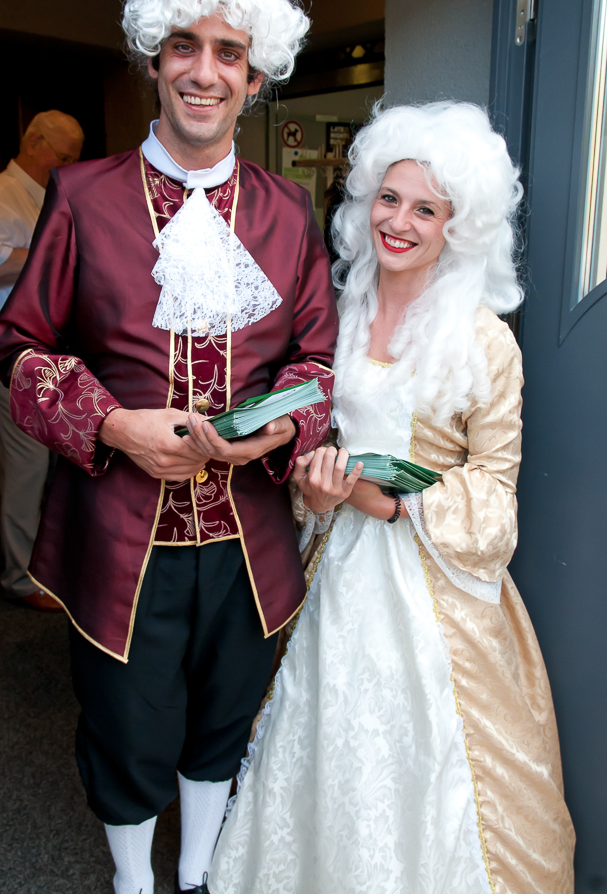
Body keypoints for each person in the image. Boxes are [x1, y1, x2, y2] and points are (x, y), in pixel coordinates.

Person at [0, 0, 337, 894]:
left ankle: (195, 874)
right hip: (116, 532)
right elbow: (20, 349)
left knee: (225, 715)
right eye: (185, 45)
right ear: (153, 57)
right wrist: (114, 424)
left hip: (249, 535)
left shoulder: (288, 211)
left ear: (255, 77)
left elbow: (318, 361)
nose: (204, 71)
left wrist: (282, 427)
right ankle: (134, 882)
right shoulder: (81, 195)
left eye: (229, 52)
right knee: (125, 721)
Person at [209, 102, 576, 894]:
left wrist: (396, 504)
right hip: (335, 572)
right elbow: (309, 439)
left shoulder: (485, 341)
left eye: (426, 209)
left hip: (434, 595)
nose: (399, 222)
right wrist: (315, 491)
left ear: (458, 226)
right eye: (388, 198)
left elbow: (497, 494)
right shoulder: (335, 317)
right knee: (323, 741)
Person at [0, 110, 84, 608]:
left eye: (73, 159)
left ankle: (46, 563)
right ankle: (21, 578)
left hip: (44, 350)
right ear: (33, 142)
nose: (66, 166)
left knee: (52, 458)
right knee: (26, 461)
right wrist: (54, 249)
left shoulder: (42, 194)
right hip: (4, 348)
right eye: (62, 156)